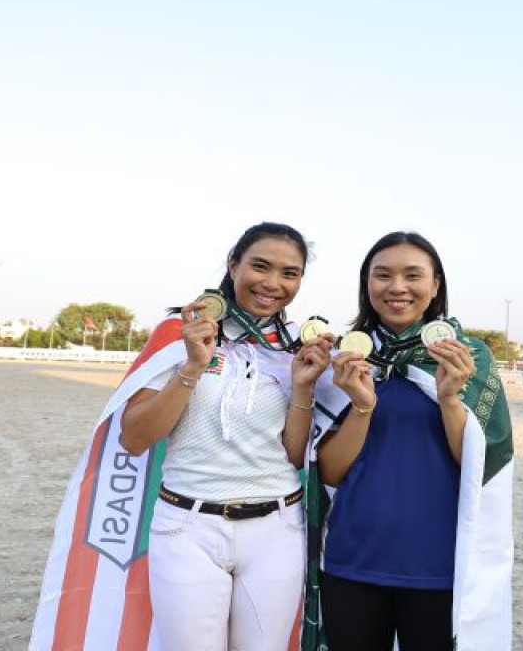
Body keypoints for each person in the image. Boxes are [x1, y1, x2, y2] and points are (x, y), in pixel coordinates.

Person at [31, 221, 339, 651]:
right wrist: (192, 366)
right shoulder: (179, 332)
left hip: (277, 529)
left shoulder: (293, 345)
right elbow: (135, 438)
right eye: (260, 267)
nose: (272, 284)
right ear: (233, 265)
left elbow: (291, 454)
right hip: (187, 529)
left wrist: (303, 386)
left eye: (290, 273)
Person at [303, 231, 515, 651]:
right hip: (352, 561)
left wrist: (450, 398)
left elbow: (480, 463)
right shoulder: (346, 359)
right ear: (367, 285)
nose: (397, 287)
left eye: (412, 275)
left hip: (440, 566)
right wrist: (362, 406)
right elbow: (329, 471)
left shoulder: (467, 358)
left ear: (435, 284)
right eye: (382, 275)